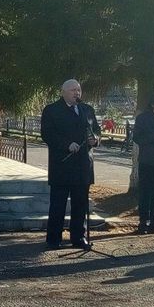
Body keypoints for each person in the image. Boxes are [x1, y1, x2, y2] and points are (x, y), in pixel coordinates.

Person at [41, 79, 101, 250]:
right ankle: (54, 238)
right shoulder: (52, 110)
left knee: (80, 204)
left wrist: (95, 139)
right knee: (58, 204)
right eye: (73, 90)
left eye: (79, 90)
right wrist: (66, 144)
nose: (77, 93)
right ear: (64, 92)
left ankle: (78, 237)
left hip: (83, 165)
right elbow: (47, 134)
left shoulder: (87, 109)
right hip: (62, 165)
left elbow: (96, 130)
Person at [133, 92, 154, 234]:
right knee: (145, 193)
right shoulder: (143, 118)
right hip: (147, 161)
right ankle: (142, 222)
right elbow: (137, 139)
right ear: (153, 104)